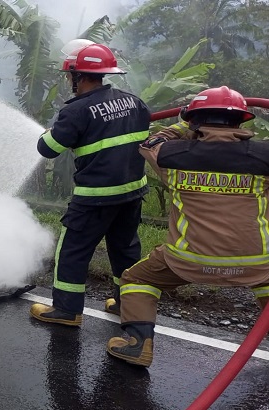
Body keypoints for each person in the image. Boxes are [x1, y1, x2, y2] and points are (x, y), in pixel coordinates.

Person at [107, 86, 269, 367]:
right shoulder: (264, 157)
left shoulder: (170, 155)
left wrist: (182, 125)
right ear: (242, 121)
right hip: (257, 262)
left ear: (194, 120)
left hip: (187, 259)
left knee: (136, 280)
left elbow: (149, 142)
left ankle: (137, 346)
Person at [30, 41, 151, 327]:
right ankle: (126, 305)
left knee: (72, 251)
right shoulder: (134, 102)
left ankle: (66, 310)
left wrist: (50, 132)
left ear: (78, 75)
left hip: (95, 198)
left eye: (68, 75)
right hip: (132, 193)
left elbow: (48, 149)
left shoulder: (77, 111)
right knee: (125, 251)